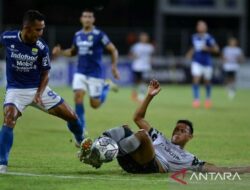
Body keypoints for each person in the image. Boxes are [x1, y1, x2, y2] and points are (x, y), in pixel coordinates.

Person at [79, 79, 250, 174]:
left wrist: (246, 169)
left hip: (149, 167)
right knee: (125, 128)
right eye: (177, 128)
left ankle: (101, 155)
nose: (178, 131)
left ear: (190, 137)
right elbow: (137, 117)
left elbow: (218, 170)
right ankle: (95, 150)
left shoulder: (190, 158)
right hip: (130, 159)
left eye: (183, 130)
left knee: (142, 135)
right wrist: (149, 96)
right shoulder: (160, 137)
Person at [0, 10, 84, 174]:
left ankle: (81, 141)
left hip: (38, 89)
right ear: (27, 28)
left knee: (72, 116)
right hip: (16, 90)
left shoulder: (41, 47)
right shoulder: (8, 38)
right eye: (38, 29)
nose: (41, 33)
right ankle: (2, 163)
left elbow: (46, 73)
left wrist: (39, 93)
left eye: (42, 29)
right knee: (9, 118)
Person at [52, 8, 120, 134]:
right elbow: (73, 52)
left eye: (90, 16)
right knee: (78, 97)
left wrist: (114, 66)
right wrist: (60, 52)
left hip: (95, 74)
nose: (87, 19)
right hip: (80, 72)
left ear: (93, 19)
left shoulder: (99, 35)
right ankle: (81, 127)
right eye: (85, 16)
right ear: (81, 19)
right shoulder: (78, 35)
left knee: (95, 104)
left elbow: (113, 50)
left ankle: (106, 86)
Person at [186, 20, 219, 109]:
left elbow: (216, 49)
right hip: (196, 62)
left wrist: (207, 49)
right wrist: (189, 53)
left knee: (207, 82)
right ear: (197, 28)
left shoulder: (209, 38)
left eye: (203, 26)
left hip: (207, 63)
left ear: (206, 27)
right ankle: (196, 100)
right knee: (196, 79)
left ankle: (208, 99)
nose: (201, 27)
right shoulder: (194, 37)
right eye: (199, 26)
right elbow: (194, 48)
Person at [129, 32, 154, 103]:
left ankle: (141, 95)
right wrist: (134, 56)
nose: (144, 38)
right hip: (137, 66)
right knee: (136, 81)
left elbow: (151, 56)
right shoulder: (136, 46)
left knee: (144, 81)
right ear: (140, 38)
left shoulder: (150, 47)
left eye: (145, 37)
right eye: (143, 37)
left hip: (146, 66)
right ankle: (134, 94)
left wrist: (151, 61)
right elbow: (131, 55)